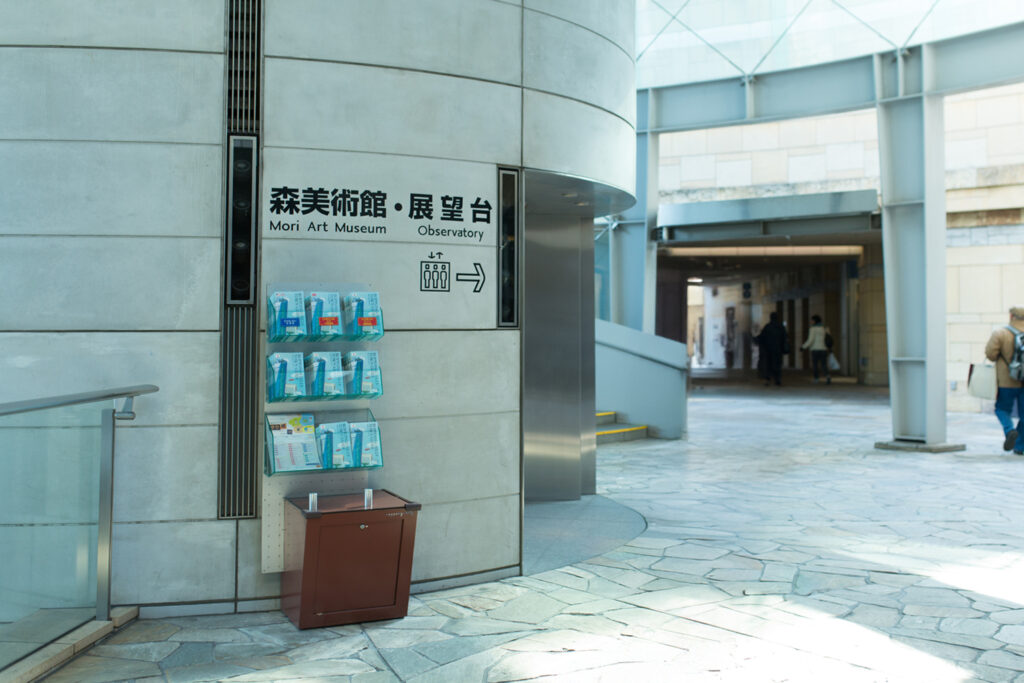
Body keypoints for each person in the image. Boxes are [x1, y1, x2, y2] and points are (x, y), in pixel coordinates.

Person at [984, 306, 1024, 454]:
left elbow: (990, 354)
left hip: (1007, 381)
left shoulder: (1001, 333)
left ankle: (1009, 430)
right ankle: (1020, 447)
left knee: (1001, 408)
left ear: (1011, 316)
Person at [756, 312, 787, 386]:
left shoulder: (768, 326)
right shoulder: (781, 327)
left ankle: (768, 379)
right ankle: (777, 380)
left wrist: (756, 339)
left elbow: (762, 337)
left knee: (769, 365)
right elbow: (784, 338)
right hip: (778, 349)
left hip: (769, 349)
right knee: (778, 364)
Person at [801, 314, 831, 384]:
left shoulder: (812, 329)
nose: (810, 321)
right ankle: (827, 376)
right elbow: (829, 339)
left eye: (811, 320)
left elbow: (810, 340)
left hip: (815, 349)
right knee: (824, 364)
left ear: (814, 321)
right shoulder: (825, 328)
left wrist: (803, 347)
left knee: (815, 365)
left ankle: (816, 378)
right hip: (824, 349)